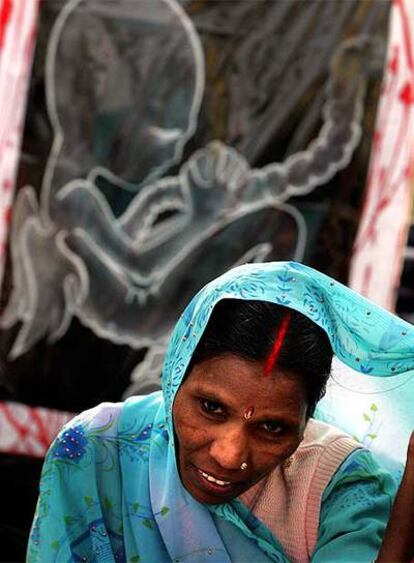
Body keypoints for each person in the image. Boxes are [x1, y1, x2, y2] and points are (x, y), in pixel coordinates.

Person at [27, 261, 414, 562]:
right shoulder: (98, 450)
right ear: (176, 375)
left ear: (308, 418)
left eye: (273, 428)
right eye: (211, 408)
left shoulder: (341, 486)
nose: (229, 455)